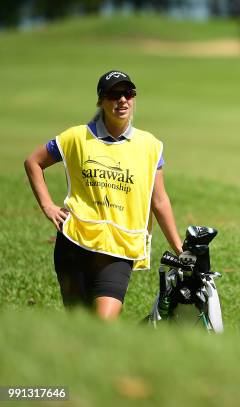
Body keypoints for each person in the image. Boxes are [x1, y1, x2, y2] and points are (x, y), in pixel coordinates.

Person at [24, 70, 183, 321]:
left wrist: (178, 248)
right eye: (114, 94)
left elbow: (159, 200)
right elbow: (33, 162)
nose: (122, 100)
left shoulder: (150, 146)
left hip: (119, 248)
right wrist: (47, 206)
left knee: (103, 325)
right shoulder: (76, 137)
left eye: (128, 93)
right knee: (79, 326)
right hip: (75, 243)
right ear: (101, 101)